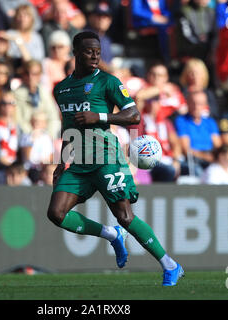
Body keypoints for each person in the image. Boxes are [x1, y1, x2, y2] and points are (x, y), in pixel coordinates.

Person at [48, 31, 184, 286]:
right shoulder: (61, 89)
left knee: (125, 215)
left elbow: (133, 116)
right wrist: (60, 161)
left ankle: (170, 265)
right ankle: (111, 235)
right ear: (75, 53)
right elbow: (67, 127)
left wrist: (99, 118)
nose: (95, 55)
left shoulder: (108, 82)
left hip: (106, 157)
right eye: (89, 50)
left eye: (98, 51)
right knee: (56, 213)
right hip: (78, 163)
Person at [174, 90, 222, 177]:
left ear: (205, 105)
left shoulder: (210, 122)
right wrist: (207, 157)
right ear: (187, 103)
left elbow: (218, 146)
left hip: (211, 158)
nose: (196, 107)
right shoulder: (181, 121)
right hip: (194, 160)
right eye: (193, 103)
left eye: (200, 103)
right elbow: (186, 150)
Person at [14, 60, 61, 139]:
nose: (30, 77)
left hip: (46, 138)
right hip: (26, 138)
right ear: (23, 75)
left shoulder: (45, 92)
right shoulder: (16, 95)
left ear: (40, 75)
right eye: (27, 74)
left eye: (35, 74)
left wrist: (48, 136)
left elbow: (53, 118)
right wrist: (32, 135)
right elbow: (18, 121)